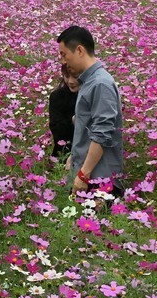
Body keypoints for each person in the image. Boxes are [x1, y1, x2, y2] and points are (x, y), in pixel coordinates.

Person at [57, 25, 124, 195]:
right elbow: (87, 129)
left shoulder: (100, 84)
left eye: (64, 55)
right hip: (87, 176)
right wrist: (74, 158)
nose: (63, 62)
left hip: (98, 180)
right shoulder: (88, 82)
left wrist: (83, 174)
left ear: (79, 50)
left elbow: (102, 133)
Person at [48, 63, 79, 160]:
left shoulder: (91, 95)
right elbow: (57, 131)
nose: (70, 81)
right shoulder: (57, 96)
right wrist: (73, 121)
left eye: (75, 77)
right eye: (66, 76)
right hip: (63, 152)